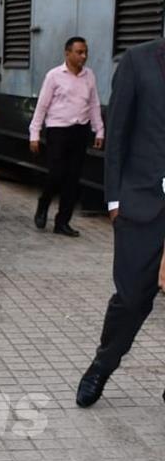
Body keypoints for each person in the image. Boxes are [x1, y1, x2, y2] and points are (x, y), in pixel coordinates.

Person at [76, 38, 165, 407]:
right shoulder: (139, 60)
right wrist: (114, 200)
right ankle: (102, 364)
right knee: (132, 299)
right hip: (140, 204)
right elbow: (119, 133)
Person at [29, 36, 104, 236]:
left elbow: (94, 104)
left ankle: (62, 222)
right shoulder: (54, 76)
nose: (84, 56)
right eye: (79, 52)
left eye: (85, 52)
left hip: (80, 131)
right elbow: (42, 106)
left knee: (73, 178)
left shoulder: (89, 76)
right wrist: (34, 134)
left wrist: (99, 129)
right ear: (67, 53)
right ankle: (44, 203)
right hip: (58, 130)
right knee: (56, 173)